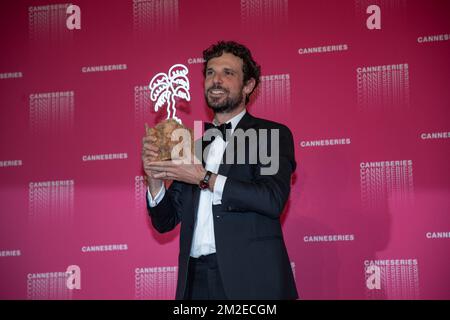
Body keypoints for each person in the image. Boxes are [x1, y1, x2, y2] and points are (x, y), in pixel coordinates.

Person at [142, 41, 298, 300]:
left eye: (228, 73)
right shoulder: (193, 142)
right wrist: (154, 179)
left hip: (250, 281)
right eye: (211, 73)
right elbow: (165, 221)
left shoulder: (268, 135)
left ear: (248, 86)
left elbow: (271, 199)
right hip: (194, 284)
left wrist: (205, 178)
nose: (216, 80)